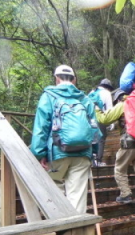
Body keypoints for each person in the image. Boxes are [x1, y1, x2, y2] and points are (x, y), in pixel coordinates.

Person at [30, 64, 100, 214]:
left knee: (53, 193)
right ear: (74, 80)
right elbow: (94, 129)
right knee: (77, 197)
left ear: (56, 78)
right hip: (83, 154)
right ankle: (74, 234)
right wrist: (93, 153)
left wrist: (39, 154)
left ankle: (58, 233)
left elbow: (41, 127)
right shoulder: (85, 99)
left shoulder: (49, 96)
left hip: (57, 152)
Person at [95, 90, 135, 218]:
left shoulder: (123, 104)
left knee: (120, 168)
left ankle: (125, 194)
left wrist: (96, 108)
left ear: (119, 99)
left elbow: (104, 119)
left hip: (130, 143)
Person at [89, 78, 114, 166]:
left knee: (92, 139)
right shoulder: (107, 93)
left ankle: (92, 161)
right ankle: (98, 161)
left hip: (89, 118)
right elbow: (109, 109)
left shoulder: (92, 92)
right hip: (100, 118)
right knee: (101, 139)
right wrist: (111, 122)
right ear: (108, 87)